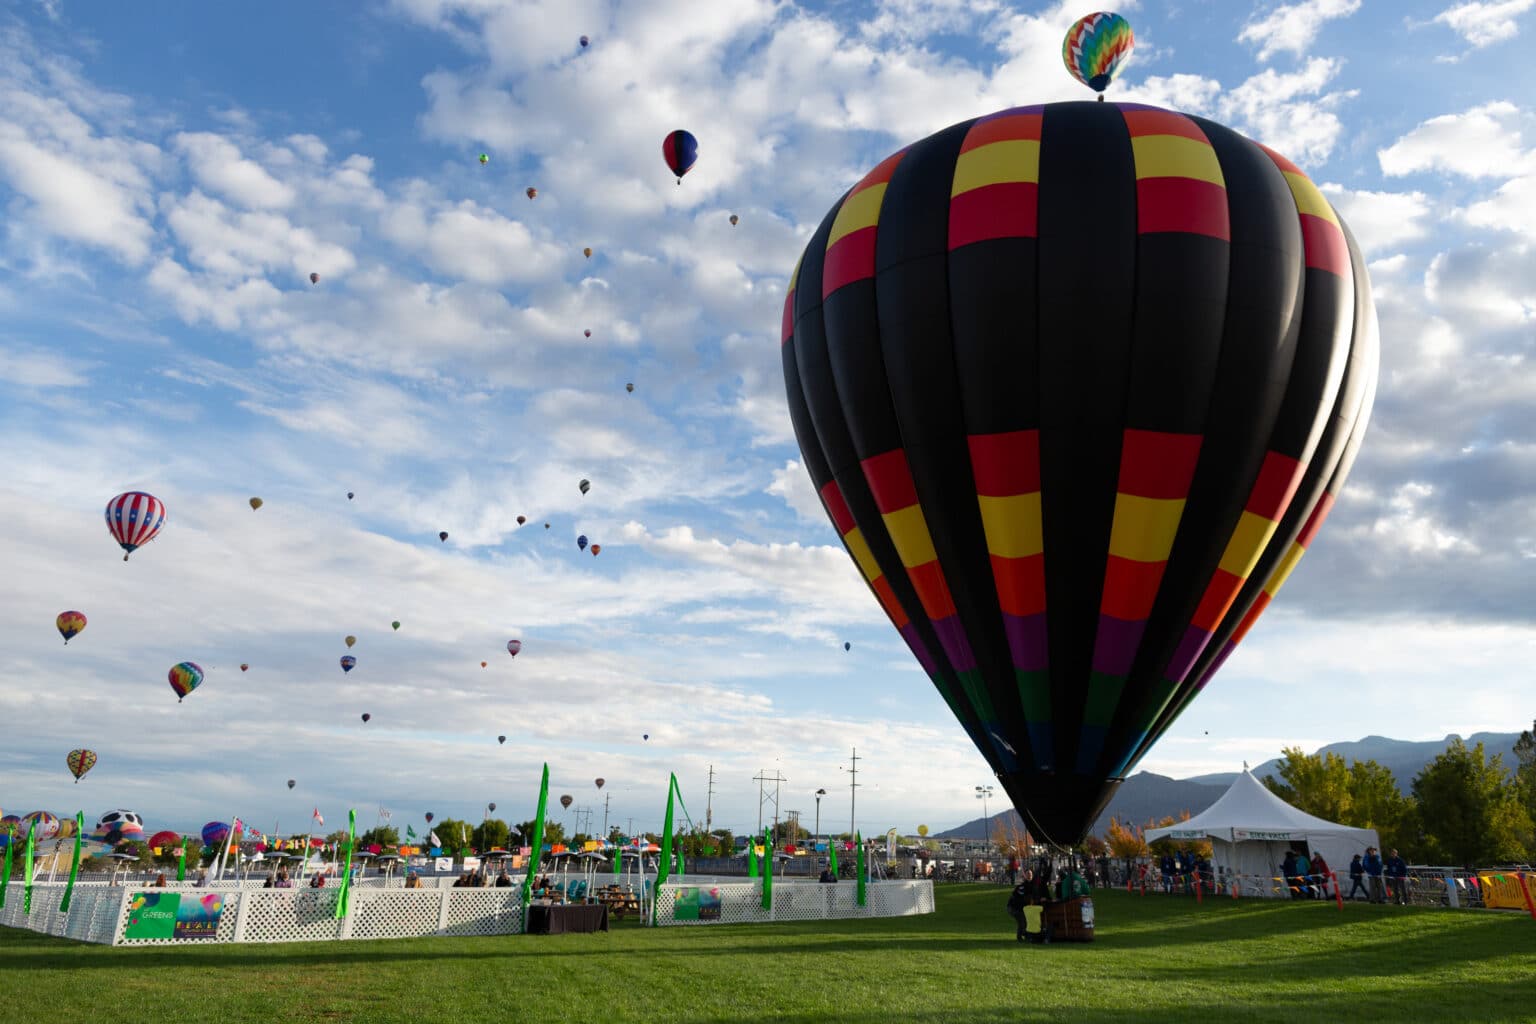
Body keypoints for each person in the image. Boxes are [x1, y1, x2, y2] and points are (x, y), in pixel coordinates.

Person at [1006, 877, 1032, 941]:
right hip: (1013, 907)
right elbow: (1018, 900)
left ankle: (1022, 935)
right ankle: (1023, 935)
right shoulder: (1022, 888)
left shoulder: (1023, 888)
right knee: (1021, 921)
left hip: (1014, 907)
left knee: (1022, 921)